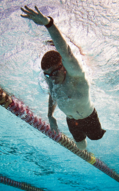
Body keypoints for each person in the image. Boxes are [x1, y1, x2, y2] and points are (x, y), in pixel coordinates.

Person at [21, 5, 106, 150]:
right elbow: (52, 93)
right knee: (81, 146)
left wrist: (48, 23)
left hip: (89, 117)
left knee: (96, 137)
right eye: (48, 75)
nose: (52, 78)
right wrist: (50, 116)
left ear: (64, 67)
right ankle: (86, 154)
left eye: (54, 73)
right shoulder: (51, 77)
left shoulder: (77, 76)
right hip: (71, 120)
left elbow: (65, 51)